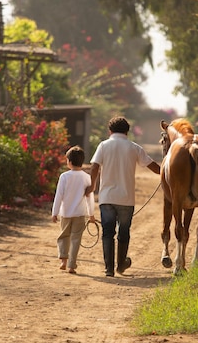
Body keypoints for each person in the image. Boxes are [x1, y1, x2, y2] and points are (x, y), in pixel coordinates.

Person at [87, 116, 160, 277]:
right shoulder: (134, 147)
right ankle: (121, 265)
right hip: (126, 199)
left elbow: (94, 167)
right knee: (124, 232)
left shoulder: (103, 145)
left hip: (106, 198)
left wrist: (92, 187)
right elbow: (153, 166)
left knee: (108, 232)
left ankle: (109, 269)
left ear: (110, 131)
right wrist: (167, 172)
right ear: (127, 132)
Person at [52, 145, 96, 274]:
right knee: (76, 239)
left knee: (64, 236)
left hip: (65, 213)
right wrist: (91, 214)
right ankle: (72, 265)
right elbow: (90, 197)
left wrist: (55, 212)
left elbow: (58, 195)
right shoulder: (86, 177)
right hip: (80, 214)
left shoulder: (64, 177)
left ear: (69, 162)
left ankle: (63, 261)